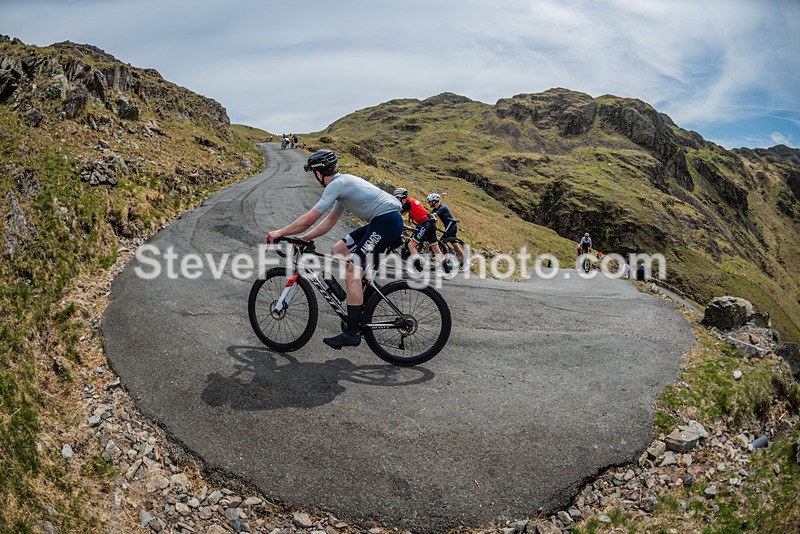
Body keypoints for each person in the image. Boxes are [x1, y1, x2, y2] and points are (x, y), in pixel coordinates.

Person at [266, 150, 403, 349]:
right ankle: (363, 295)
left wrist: (279, 232)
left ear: (319, 173)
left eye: (314, 174)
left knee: (352, 272)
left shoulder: (337, 185)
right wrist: (303, 238)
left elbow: (309, 219)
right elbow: (329, 222)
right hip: (383, 221)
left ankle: (353, 332)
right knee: (338, 250)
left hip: (386, 222)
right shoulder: (341, 186)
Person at [393, 188, 445, 266]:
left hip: (425, 224)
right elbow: (406, 212)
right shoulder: (411, 200)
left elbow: (397, 214)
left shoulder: (407, 204)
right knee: (435, 248)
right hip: (432, 223)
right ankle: (447, 269)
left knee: (411, 245)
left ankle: (418, 267)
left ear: (399, 197)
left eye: (396, 197)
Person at [426, 193, 468, 268]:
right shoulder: (436, 208)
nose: (429, 203)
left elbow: (434, 215)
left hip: (452, 227)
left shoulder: (442, 207)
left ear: (434, 201)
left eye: (429, 201)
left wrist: (428, 216)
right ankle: (467, 263)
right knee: (456, 247)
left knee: (441, 243)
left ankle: (448, 261)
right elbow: (430, 214)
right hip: (449, 228)